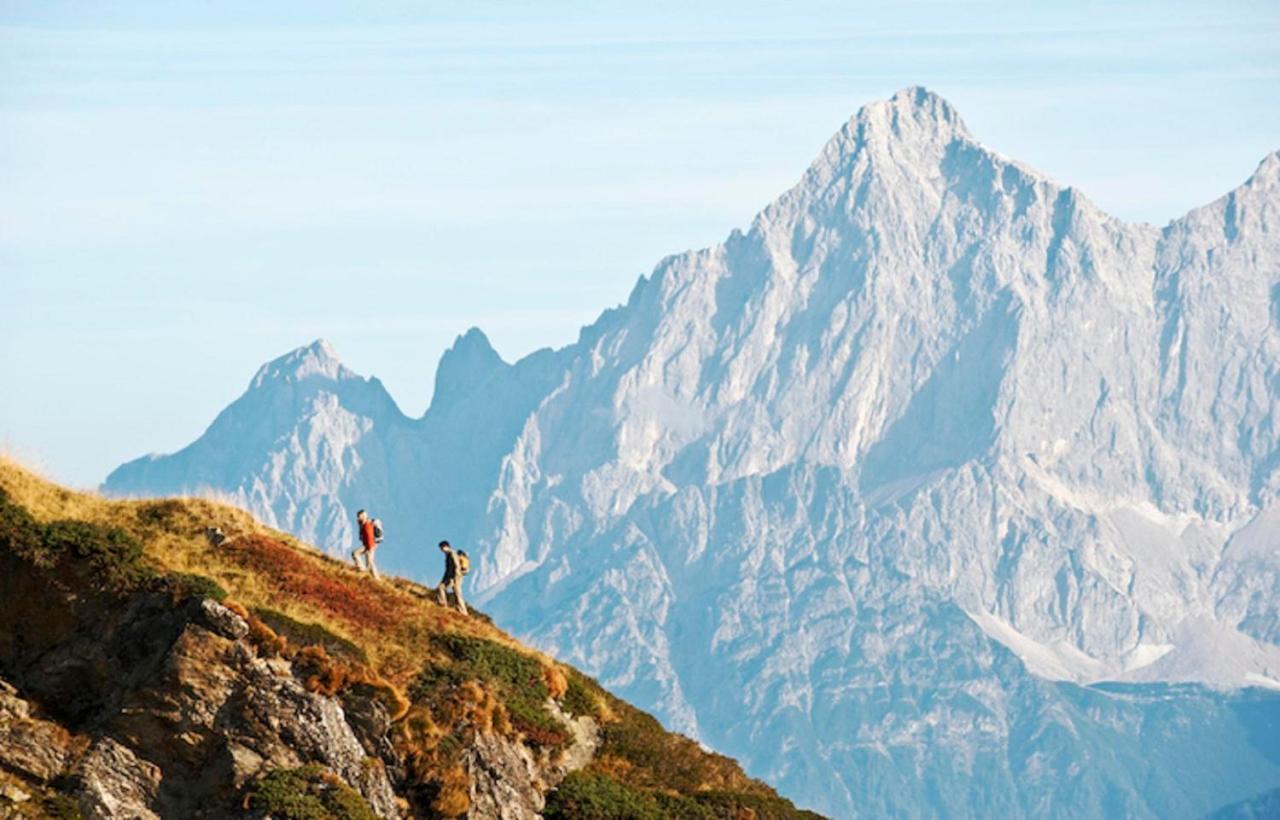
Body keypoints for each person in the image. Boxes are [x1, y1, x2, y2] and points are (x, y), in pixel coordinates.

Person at [435, 540, 468, 615]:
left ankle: (463, 612)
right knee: (441, 588)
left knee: (457, 594)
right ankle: (442, 604)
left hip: (455, 578)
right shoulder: (448, 555)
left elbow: (457, 567)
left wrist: (455, 579)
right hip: (451, 577)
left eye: (441, 548)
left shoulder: (452, 554)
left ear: (446, 547)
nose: (441, 550)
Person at [352, 509, 380, 580]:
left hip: (369, 546)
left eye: (359, 516)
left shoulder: (367, 525)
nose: (358, 518)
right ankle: (363, 570)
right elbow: (362, 537)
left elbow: (369, 537)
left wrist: (369, 549)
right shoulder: (363, 524)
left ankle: (376, 579)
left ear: (363, 516)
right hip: (367, 545)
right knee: (355, 554)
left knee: (370, 563)